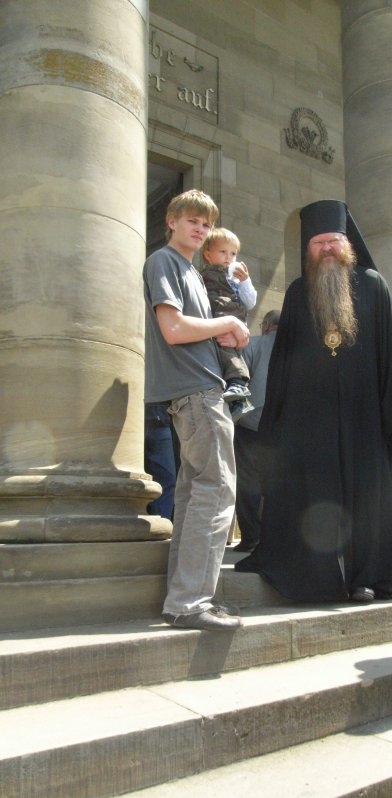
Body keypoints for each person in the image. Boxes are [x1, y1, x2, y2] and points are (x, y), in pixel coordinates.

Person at [235, 199, 392, 603]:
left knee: (365, 497)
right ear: (308, 249)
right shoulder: (297, 292)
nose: (326, 249)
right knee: (313, 498)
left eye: (333, 241)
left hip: (363, 417)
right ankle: (315, 578)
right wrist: (278, 422)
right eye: (318, 243)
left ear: (347, 243)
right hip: (310, 419)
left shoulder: (373, 285)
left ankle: (365, 577)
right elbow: (283, 364)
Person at [143, 189, 250, 630]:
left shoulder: (191, 270)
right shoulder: (164, 261)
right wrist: (228, 323)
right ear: (171, 221)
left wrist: (225, 330)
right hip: (198, 392)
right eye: (192, 220)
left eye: (206, 224)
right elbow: (172, 329)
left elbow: (194, 329)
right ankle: (190, 603)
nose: (200, 229)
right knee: (216, 491)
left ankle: (182, 600)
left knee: (193, 497)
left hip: (198, 391)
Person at [231, 309, 280, 552]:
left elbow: (239, 379)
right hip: (282, 426)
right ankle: (277, 538)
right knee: (278, 483)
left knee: (247, 482)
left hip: (251, 423)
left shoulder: (254, 344)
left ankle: (252, 537)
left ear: (267, 325)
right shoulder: (295, 348)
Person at [201, 228, 257, 421]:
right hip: (215, 320)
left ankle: (239, 385)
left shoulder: (235, 278)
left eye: (233, 253)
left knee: (229, 352)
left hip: (232, 318)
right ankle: (237, 400)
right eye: (222, 252)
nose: (228, 257)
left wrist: (245, 281)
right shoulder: (201, 276)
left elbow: (250, 302)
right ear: (208, 255)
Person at [144, 401, 180, 520]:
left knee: (166, 481)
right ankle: (160, 524)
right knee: (166, 481)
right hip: (158, 414)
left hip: (160, 416)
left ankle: (159, 524)